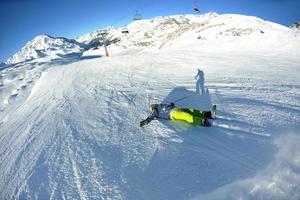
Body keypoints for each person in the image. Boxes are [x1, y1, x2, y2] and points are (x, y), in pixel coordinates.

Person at [140, 103, 216, 127]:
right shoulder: (155, 112)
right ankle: (201, 122)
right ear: (152, 108)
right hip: (172, 114)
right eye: (153, 106)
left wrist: (172, 104)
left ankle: (209, 114)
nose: (155, 106)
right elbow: (150, 118)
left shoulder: (161, 105)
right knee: (185, 115)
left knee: (193, 111)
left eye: (154, 105)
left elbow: (169, 105)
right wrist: (144, 122)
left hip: (177, 108)